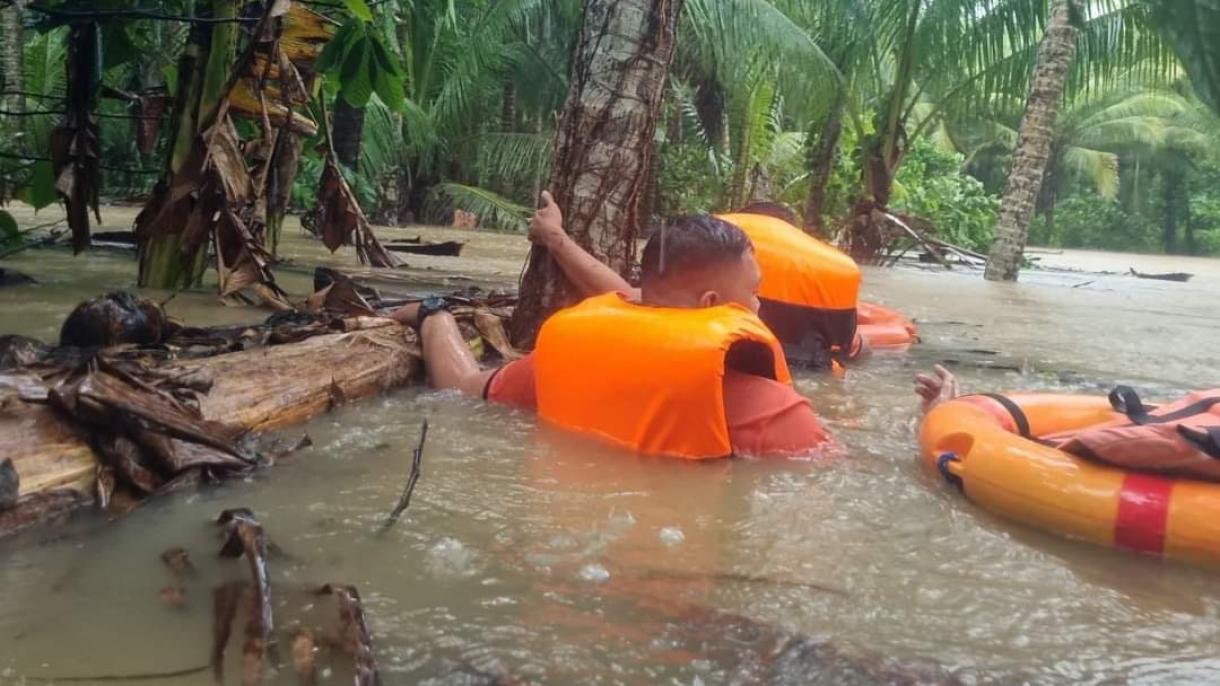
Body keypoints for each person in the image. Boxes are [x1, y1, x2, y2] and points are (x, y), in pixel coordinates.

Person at [391, 191, 832, 458]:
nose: (758, 303)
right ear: (712, 304)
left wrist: (434, 314)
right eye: (755, 290)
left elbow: (458, 384)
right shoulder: (776, 414)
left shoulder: (563, 363)